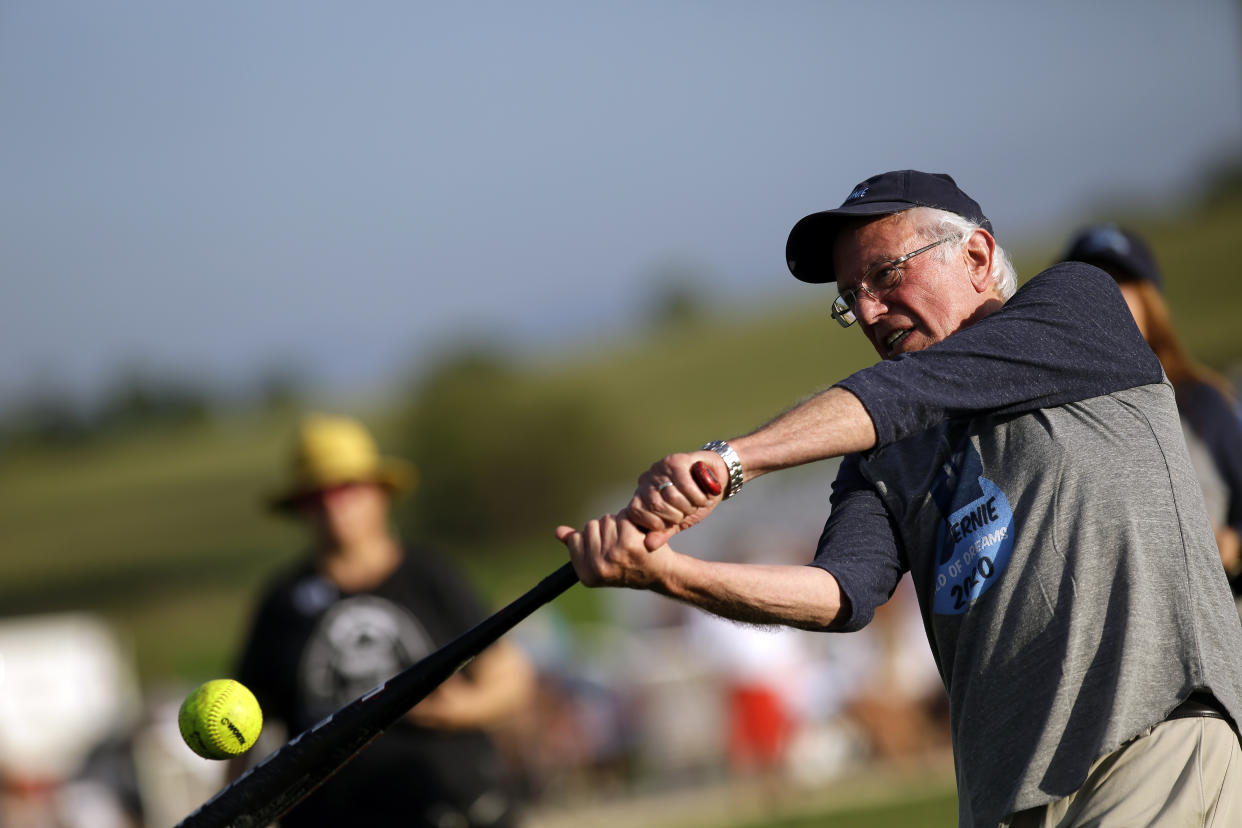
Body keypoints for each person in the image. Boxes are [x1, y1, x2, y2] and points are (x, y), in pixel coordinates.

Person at [556, 170, 1242, 827]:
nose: (868, 311)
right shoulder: (883, 451)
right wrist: (670, 575)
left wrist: (732, 461)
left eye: (885, 275)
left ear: (976, 254)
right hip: (1003, 796)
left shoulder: (1078, 308)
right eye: (850, 297)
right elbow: (840, 592)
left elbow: (906, 392)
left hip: (1153, 744)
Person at [234, 414, 534, 828]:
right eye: (316, 494)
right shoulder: (282, 602)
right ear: (301, 507)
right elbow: (241, 723)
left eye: (346, 488)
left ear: (379, 491)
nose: (333, 505)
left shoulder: (430, 576)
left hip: (452, 807)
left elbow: (511, 679)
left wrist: (462, 708)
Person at [1061, 224, 1242, 599]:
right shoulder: (1060, 416)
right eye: (1092, 282)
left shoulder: (1201, 400)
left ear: (1149, 300)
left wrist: (1230, 544)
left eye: (1121, 281)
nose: (1107, 295)